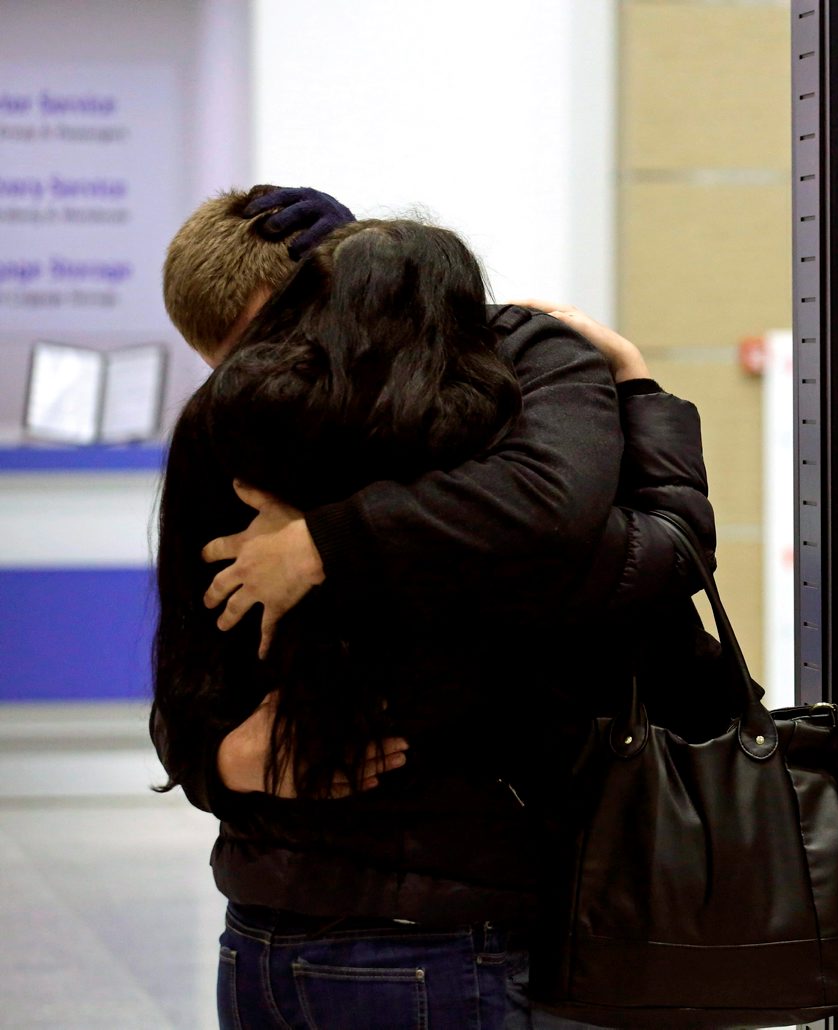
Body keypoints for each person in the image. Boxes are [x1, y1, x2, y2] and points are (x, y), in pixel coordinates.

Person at [153, 193, 715, 1028]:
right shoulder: (511, 388)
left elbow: (184, 669)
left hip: (288, 924)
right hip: (439, 926)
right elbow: (661, 552)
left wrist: (322, 544)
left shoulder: (475, 408)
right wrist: (635, 383)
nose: (269, 386)